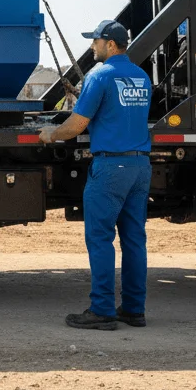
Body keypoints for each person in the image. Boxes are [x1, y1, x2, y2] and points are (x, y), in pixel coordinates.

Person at [38, 19, 152, 330]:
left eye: (96, 41)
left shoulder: (99, 75)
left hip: (111, 167)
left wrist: (51, 134)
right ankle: (133, 309)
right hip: (140, 167)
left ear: (111, 45)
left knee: (100, 239)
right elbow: (121, 111)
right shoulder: (142, 77)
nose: (92, 47)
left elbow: (76, 125)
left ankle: (102, 309)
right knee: (134, 240)